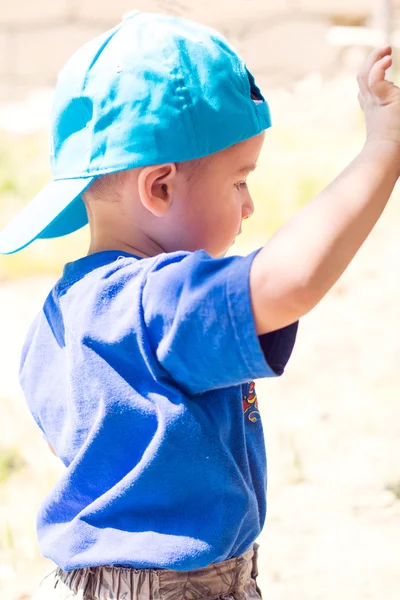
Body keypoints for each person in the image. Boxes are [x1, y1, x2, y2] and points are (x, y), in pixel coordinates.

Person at [1, 10, 400, 600]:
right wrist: (384, 146)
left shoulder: (60, 316)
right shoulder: (155, 300)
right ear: (159, 187)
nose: (249, 206)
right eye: (240, 181)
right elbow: (288, 282)